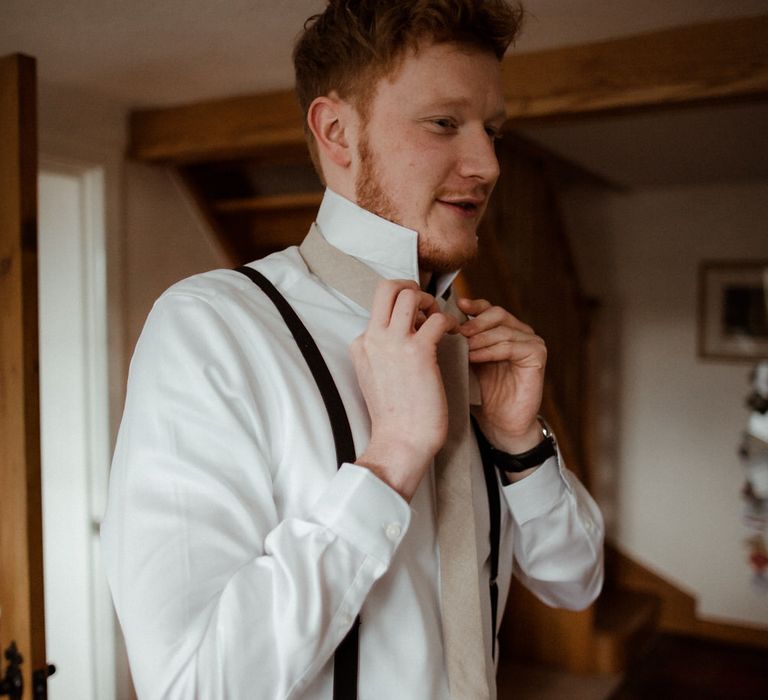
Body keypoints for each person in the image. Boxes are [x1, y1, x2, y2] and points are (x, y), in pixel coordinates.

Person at [101, 1, 604, 698]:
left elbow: (575, 583)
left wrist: (521, 444)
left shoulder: (473, 341)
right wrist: (389, 460)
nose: (487, 164)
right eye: (444, 124)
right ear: (337, 132)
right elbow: (191, 685)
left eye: (492, 130)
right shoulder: (212, 327)